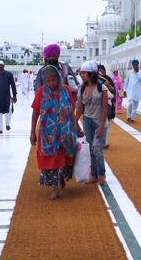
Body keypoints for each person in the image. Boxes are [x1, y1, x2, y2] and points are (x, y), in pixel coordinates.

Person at [29, 65, 83, 200]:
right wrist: (32, 132)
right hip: (48, 135)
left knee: (62, 157)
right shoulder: (41, 92)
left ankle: (60, 177)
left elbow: (71, 110)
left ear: (58, 78)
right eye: (48, 81)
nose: (51, 83)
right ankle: (55, 189)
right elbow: (36, 112)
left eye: (53, 80)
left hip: (65, 133)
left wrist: (77, 127)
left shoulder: (65, 90)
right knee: (50, 160)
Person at [76, 60, 109, 184]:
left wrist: (101, 127)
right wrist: (75, 122)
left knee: (96, 148)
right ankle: (94, 174)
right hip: (87, 121)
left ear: (91, 73)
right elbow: (79, 107)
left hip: (100, 122)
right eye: (81, 73)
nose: (82, 75)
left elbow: (105, 108)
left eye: (84, 73)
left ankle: (102, 173)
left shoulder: (102, 88)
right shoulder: (82, 88)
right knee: (90, 148)